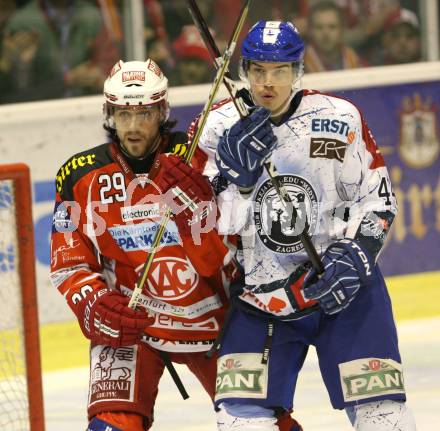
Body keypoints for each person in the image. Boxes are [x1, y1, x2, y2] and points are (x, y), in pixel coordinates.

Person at [196, 21, 417, 430]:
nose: (267, 82)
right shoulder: (215, 126)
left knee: (382, 416)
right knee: (240, 423)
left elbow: (377, 198)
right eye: (258, 70)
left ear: (298, 71)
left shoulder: (338, 117)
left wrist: (357, 254)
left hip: (344, 291)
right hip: (262, 299)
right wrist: (231, 184)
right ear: (244, 70)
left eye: (279, 71)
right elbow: (194, 223)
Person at [50, 59, 240, 431]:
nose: (134, 127)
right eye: (123, 114)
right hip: (133, 327)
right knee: (108, 427)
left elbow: (237, 254)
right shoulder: (79, 175)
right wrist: (96, 305)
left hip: (217, 323)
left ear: (162, 111)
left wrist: (200, 217)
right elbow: (70, 262)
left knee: (261, 423)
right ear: (109, 113)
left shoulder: (200, 161)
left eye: (145, 114)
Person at [0, 0, 119, 103]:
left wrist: (100, 78)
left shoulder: (91, 17)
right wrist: (22, 67)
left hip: (86, 105)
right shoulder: (25, 21)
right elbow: (16, 94)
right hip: (40, 110)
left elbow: (112, 70)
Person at [303, 1, 363, 73]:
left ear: (341, 30)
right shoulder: (299, 66)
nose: (325, 33)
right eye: (319, 27)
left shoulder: (354, 60)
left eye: (332, 27)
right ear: (310, 31)